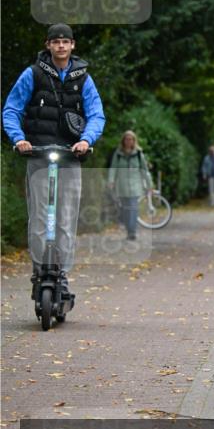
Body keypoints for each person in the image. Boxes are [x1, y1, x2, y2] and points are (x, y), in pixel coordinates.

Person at [2, 23, 106, 299]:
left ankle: (61, 273)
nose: (61, 46)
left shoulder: (84, 79)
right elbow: (12, 109)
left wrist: (86, 140)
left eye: (65, 41)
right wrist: (19, 138)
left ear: (73, 45)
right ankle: (39, 270)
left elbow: (97, 114)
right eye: (55, 41)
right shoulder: (33, 74)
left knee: (66, 218)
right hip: (37, 153)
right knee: (38, 217)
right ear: (48, 45)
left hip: (71, 156)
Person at [106, 130, 152, 240]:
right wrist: (111, 180)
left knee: (133, 208)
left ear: (134, 141)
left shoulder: (139, 153)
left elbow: (144, 170)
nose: (129, 141)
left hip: (135, 186)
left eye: (131, 139)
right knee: (125, 209)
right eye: (127, 139)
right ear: (123, 140)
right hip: (122, 186)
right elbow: (113, 168)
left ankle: (132, 231)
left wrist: (149, 184)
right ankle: (128, 229)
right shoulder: (118, 154)